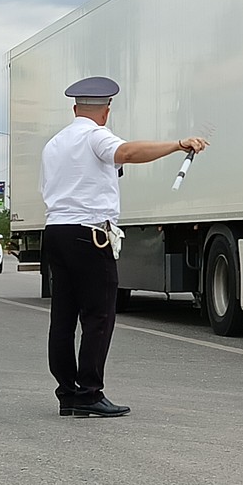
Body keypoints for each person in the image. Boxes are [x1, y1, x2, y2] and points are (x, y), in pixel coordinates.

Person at [39, 76, 208, 418]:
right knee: (98, 316)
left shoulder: (54, 143)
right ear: (106, 110)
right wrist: (178, 144)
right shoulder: (96, 136)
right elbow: (127, 153)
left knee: (63, 318)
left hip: (55, 231)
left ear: (75, 108)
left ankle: (67, 393)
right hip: (88, 233)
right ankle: (89, 392)